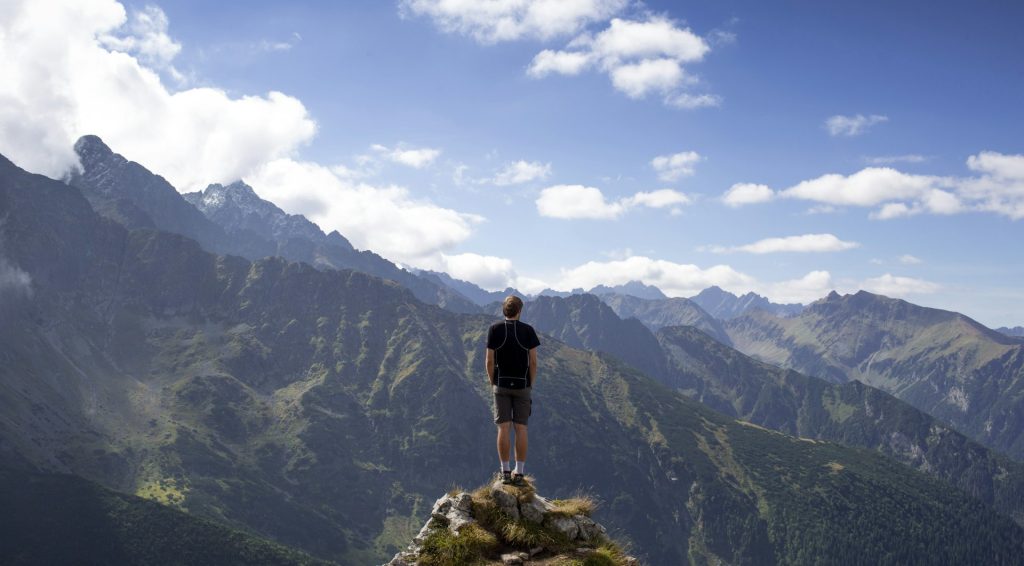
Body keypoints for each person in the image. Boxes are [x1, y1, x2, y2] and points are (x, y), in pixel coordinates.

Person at [485, 295, 540, 486]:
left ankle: (505, 471)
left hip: (501, 384)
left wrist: (494, 382)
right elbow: (533, 362)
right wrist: (530, 383)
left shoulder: (494, 330)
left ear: (504, 310)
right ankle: (520, 474)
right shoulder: (528, 331)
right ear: (520, 311)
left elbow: (489, 361)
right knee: (521, 428)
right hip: (522, 385)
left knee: (503, 427)